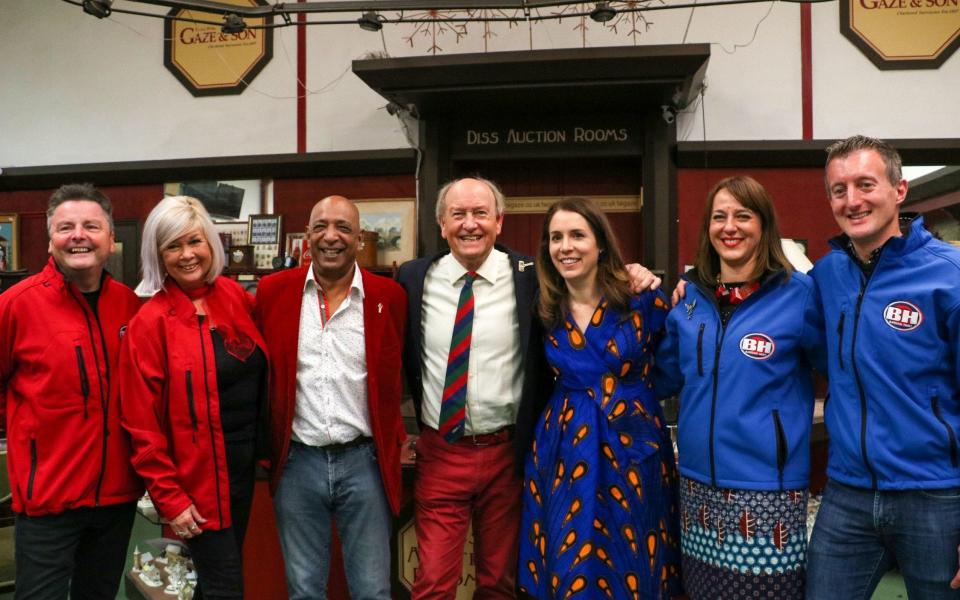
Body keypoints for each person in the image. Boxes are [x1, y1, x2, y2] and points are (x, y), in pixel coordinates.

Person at [397, 177, 660, 598]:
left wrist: (635, 272)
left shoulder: (533, 277)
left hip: (509, 454)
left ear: (499, 222)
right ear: (441, 224)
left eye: (481, 213)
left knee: (500, 582)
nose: (470, 224)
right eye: (458, 215)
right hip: (442, 450)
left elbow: (593, 289)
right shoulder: (412, 279)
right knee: (432, 584)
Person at [805, 136, 960, 599]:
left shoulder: (949, 274)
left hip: (937, 495)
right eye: (838, 189)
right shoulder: (826, 275)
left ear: (899, 190)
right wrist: (692, 291)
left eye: (865, 184)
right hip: (848, 493)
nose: (852, 200)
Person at [655, 176, 823, 599]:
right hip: (695, 486)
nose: (730, 227)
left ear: (764, 225)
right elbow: (662, 377)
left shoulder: (800, 295)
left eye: (743, 216)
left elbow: (839, 371)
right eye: (719, 217)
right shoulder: (689, 298)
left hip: (767, 490)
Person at [518, 197, 682, 599]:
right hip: (563, 449)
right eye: (556, 238)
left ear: (601, 244)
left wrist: (633, 399)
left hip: (632, 447)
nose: (566, 246)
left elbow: (673, 369)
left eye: (577, 235)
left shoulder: (642, 298)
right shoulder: (542, 307)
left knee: (633, 557)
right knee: (569, 556)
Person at [254, 195, 406, 599]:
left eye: (343, 227)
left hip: (365, 462)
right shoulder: (272, 293)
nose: (331, 236)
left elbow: (400, 376)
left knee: (373, 590)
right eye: (320, 226)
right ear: (307, 237)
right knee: (304, 589)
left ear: (359, 239)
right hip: (297, 462)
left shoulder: (388, 297)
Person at [120, 196, 269, 600]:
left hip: (242, 474)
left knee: (212, 584)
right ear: (158, 254)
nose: (187, 255)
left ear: (211, 244)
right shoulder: (148, 324)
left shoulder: (235, 297)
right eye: (173, 246)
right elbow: (140, 423)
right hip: (196, 485)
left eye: (194, 242)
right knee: (225, 589)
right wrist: (171, 498)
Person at [0, 183, 143, 599]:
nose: (78, 235)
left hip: (116, 500)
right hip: (48, 503)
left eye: (91, 226)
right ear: (50, 240)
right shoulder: (16, 306)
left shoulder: (130, 307)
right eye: (66, 227)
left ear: (110, 239)